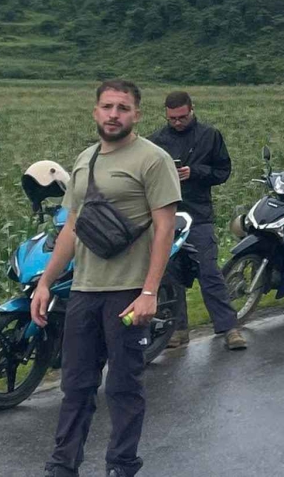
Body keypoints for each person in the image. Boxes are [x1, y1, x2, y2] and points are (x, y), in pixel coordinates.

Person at [37, 79, 181, 477]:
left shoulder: (153, 159)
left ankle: (121, 464)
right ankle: (62, 465)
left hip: (128, 292)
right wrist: (46, 282)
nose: (113, 115)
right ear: (95, 111)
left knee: (123, 384)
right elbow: (71, 228)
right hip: (84, 290)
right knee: (76, 385)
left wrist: (150, 291)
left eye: (122, 108)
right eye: (107, 107)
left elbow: (164, 228)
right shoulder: (85, 160)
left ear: (137, 114)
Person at [150, 90, 245, 351]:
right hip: (167, 215)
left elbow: (223, 171)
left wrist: (195, 172)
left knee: (209, 272)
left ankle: (229, 328)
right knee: (170, 274)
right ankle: (177, 330)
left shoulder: (209, 135)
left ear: (191, 110)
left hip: (198, 215)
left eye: (182, 117)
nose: (177, 122)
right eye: (172, 118)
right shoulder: (155, 141)